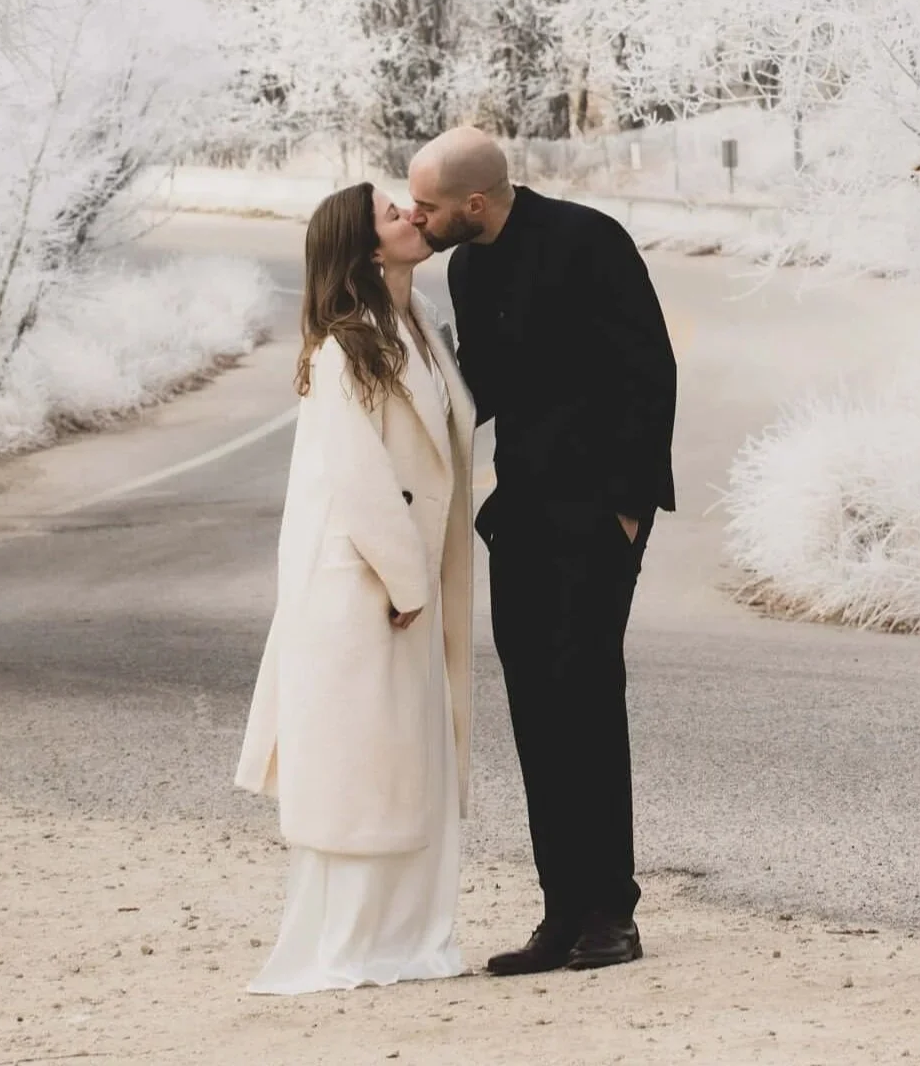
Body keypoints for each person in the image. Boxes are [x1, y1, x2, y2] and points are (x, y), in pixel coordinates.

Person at [406, 126, 677, 976]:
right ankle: (560, 913)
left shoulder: (589, 241)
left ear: (473, 203)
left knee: (587, 701)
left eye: (428, 205)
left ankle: (613, 914)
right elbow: (479, 388)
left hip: (599, 515)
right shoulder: (466, 265)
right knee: (533, 708)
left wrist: (629, 510)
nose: (418, 216)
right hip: (521, 512)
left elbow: (651, 371)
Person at [236, 182, 476, 992]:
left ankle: (410, 939)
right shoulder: (347, 346)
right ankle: (356, 945)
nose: (413, 212)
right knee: (367, 773)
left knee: (416, 764)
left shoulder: (419, 330)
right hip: (368, 589)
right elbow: (358, 477)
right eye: (391, 212)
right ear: (370, 249)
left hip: (406, 585)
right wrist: (408, 582)